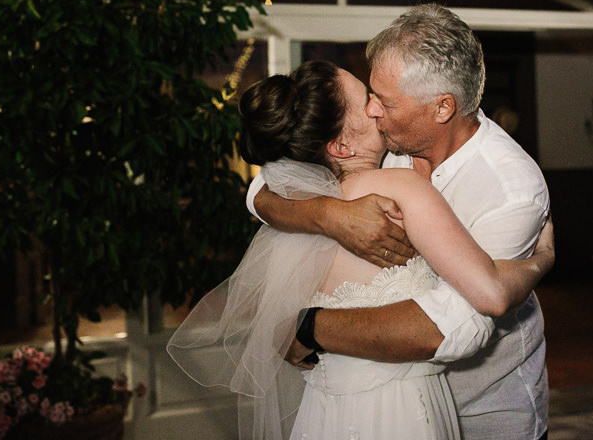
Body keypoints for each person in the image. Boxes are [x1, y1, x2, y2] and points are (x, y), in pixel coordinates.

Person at [169, 60, 553, 440]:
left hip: (335, 410)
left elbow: (263, 187)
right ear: (338, 145)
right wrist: (541, 261)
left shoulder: (298, 197)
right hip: (402, 409)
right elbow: (488, 296)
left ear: (443, 105)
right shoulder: (396, 185)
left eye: (377, 98)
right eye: (367, 100)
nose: (375, 108)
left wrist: (306, 321)